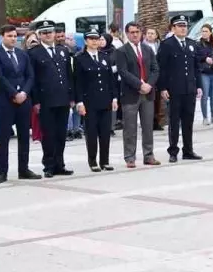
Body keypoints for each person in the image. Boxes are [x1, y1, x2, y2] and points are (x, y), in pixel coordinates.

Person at [0, 24, 40, 183]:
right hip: (6, 101)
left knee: (24, 136)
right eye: (9, 36)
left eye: (15, 36)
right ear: (3, 36)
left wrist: (24, 93)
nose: (13, 38)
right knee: (4, 137)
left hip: (24, 100)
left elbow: (30, 76)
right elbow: (0, 77)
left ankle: (23, 169)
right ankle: (2, 171)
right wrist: (14, 94)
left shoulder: (22, 54)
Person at [27, 20, 76, 177]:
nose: (48, 35)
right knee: (48, 135)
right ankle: (49, 165)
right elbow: (32, 79)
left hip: (62, 98)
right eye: (44, 33)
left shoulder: (63, 50)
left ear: (55, 33)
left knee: (61, 134)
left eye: (50, 32)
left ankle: (59, 164)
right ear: (40, 35)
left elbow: (69, 75)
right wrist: (36, 101)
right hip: (45, 100)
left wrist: (71, 97)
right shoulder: (34, 53)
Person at [157, 15, 203, 163]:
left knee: (188, 121)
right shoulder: (167, 45)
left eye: (185, 26)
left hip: (189, 88)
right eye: (180, 26)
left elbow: (196, 68)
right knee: (174, 122)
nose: (183, 28)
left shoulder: (192, 44)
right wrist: (163, 87)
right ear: (173, 28)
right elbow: (162, 68)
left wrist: (199, 86)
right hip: (174, 89)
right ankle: (173, 151)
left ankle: (188, 150)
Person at [114, 20, 160, 168]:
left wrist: (149, 85)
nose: (135, 35)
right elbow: (123, 72)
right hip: (130, 94)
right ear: (127, 34)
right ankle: (130, 157)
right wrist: (139, 85)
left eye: (137, 32)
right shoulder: (121, 51)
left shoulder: (148, 49)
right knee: (130, 128)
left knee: (148, 126)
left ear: (141, 33)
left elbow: (155, 69)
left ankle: (149, 155)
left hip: (147, 94)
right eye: (132, 32)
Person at [73, 29, 118, 171]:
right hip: (89, 102)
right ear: (86, 41)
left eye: (96, 38)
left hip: (105, 100)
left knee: (105, 132)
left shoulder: (105, 57)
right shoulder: (80, 59)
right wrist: (79, 102)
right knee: (91, 133)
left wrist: (114, 98)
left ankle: (105, 161)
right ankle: (92, 161)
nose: (94, 41)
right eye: (91, 39)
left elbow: (111, 80)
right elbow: (78, 83)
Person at [195, 24, 213, 125]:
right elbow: (196, 56)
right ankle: (205, 117)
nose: (204, 33)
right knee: (204, 96)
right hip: (204, 72)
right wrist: (205, 59)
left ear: (210, 32)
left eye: (206, 31)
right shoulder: (198, 44)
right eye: (202, 31)